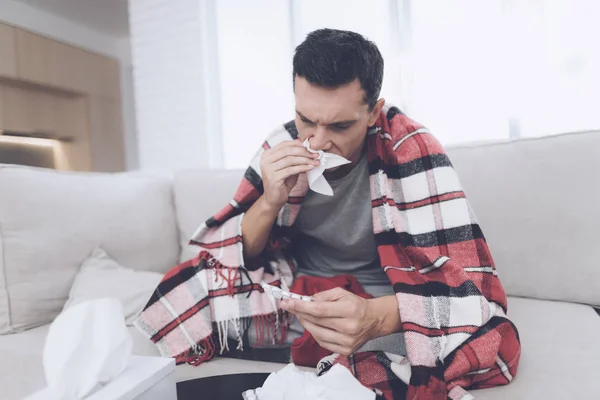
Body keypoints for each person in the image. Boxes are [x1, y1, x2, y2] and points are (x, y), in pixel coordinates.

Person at [136, 28, 520, 399]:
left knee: (485, 333)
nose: (317, 142)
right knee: (188, 292)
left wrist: (377, 318)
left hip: (386, 301)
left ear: (373, 113)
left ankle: (349, 352)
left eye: (340, 125)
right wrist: (270, 201)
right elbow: (239, 259)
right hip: (300, 296)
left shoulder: (411, 148)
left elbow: (475, 289)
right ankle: (341, 356)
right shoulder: (280, 144)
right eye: (306, 120)